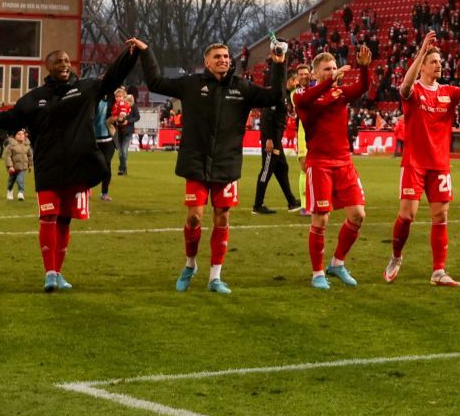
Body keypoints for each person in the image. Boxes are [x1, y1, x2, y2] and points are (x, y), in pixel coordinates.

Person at [0, 42, 143, 292]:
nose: (63, 64)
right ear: (47, 67)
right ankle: (49, 272)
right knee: (48, 216)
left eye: (66, 61)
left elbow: (113, 77)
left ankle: (58, 271)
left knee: (64, 220)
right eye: (58, 61)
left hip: (78, 166)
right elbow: (7, 118)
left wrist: (130, 55)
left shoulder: (86, 88)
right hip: (48, 166)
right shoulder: (33, 99)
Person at [139, 39, 287, 295]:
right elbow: (155, 83)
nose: (223, 60)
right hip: (195, 161)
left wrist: (278, 66)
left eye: (226, 56)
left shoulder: (242, 88)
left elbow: (275, 96)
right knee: (194, 217)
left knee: (222, 217)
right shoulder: (191, 84)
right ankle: (190, 264)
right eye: (217, 56)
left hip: (226, 164)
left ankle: (215, 277)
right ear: (206, 62)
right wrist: (145, 52)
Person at [385, 32, 460, 287]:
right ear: (422, 66)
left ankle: (438, 271)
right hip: (414, 162)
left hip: (439, 164)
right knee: (407, 216)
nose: (439, 64)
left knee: (441, 216)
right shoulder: (413, 91)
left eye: (439, 61)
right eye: (433, 61)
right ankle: (396, 256)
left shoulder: (449, 92)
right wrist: (421, 51)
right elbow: (403, 86)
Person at [295, 47, 375, 289]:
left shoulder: (340, 93)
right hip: (319, 164)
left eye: (334, 67)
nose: (333, 72)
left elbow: (362, 88)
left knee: (358, 214)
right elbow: (308, 100)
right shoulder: (303, 96)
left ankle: (337, 263)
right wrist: (330, 80)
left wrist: (363, 67)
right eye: (327, 69)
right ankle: (317, 273)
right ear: (316, 73)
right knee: (321, 219)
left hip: (344, 162)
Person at [252, 67, 299, 215]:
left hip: (276, 138)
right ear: (291, 80)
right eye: (296, 80)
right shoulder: (276, 93)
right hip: (271, 139)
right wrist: (269, 139)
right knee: (267, 170)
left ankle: (291, 201)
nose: (297, 83)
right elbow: (267, 117)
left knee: (282, 168)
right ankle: (257, 205)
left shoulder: (284, 94)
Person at [110, 87, 136, 175]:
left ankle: (121, 169)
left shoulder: (131, 105)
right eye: (116, 97)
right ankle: (124, 168)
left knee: (124, 150)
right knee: (120, 152)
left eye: (120, 96)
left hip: (127, 131)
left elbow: (137, 117)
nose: (118, 98)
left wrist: (128, 121)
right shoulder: (115, 106)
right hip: (118, 131)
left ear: (123, 96)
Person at [3, 129, 32, 200]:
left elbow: (30, 156)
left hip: (22, 167)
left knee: (20, 180)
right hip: (13, 168)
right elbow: (7, 157)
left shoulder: (27, 145)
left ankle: (20, 193)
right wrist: (10, 166)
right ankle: (9, 191)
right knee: (11, 181)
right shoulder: (10, 146)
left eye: (22, 134)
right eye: (18, 134)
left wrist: (30, 165)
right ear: (14, 136)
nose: (21, 136)